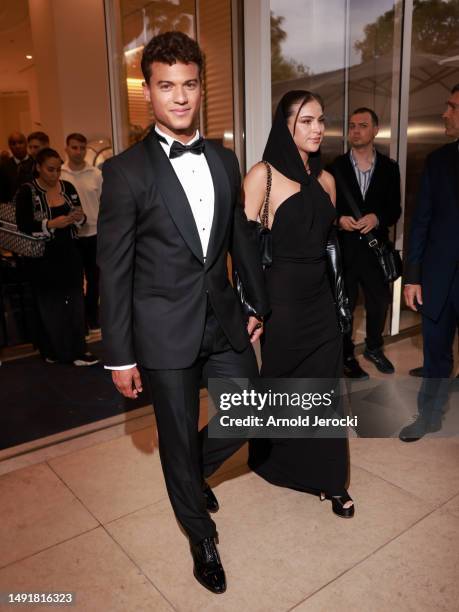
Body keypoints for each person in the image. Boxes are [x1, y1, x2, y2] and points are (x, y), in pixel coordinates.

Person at [97, 31, 269, 594]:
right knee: (173, 435)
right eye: (166, 86)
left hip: (222, 319)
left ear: (201, 90)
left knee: (253, 409)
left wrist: (253, 301)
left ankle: (190, 475)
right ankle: (200, 536)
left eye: (189, 85)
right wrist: (119, 355)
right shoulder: (125, 173)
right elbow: (114, 271)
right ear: (147, 92)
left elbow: (235, 241)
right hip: (163, 333)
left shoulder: (224, 158)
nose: (179, 97)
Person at [244, 91, 354, 518]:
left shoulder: (326, 181)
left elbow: (332, 250)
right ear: (285, 125)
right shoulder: (263, 177)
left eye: (321, 120)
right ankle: (279, 461)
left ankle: (332, 481)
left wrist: (342, 302)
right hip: (282, 302)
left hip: (321, 302)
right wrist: (252, 309)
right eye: (306, 121)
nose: (317, 129)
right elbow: (246, 251)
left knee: (325, 392)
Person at [399, 83, 459, 442]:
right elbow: (420, 221)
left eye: (453, 107)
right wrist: (413, 277)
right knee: (436, 355)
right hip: (439, 279)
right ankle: (429, 416)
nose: (445, 114)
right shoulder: (438, 161)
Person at [329, 108, 401, 379]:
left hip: (375, 251)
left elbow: (395, 209)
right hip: (345, 251)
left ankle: (374, 347)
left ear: (375, 130)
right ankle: (346, 355)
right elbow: (324, 207)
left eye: (362, 125)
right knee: (344, 305)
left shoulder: (390, 168)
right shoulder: (334, 167)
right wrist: (338, 220)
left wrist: (378, 217)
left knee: (379, 303)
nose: (356, 130)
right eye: (351, 126)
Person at [15, 148, 98, 367]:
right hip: (41, 258)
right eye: (50, 169)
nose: (55, 174)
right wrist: (50, 224)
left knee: (75, 301)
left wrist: (78, 218)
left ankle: (78, 349)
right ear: (39, 168)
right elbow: (23, 225)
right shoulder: (28, 192)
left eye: (58, 169)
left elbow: (80, 217)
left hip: (69, 252)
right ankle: (55, 350)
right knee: (50, 305)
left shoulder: (67, 187)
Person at [61, 133, 102, 332]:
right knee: (75, 280)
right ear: (66, 149)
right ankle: (79, 322)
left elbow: (105, 203)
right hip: (71, 236)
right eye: (74, 147)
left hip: (94, 234)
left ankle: (93, 317)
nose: (78, 151)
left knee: (94, 280)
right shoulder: (60, 174)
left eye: (82, 148)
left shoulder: (95, 173)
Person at [0, 132, 34, 202]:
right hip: (12, 207)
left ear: (26, 143)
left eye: (20, 142)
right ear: (9, 146)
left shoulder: (35, 163)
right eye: (13, 144)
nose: (17, 146)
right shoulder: (4, 166)